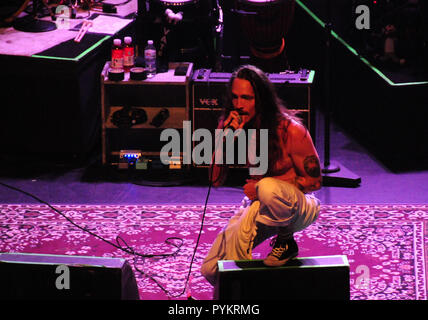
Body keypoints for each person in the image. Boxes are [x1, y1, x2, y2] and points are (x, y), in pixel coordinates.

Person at [200, 65, 322, 286]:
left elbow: (315, 182)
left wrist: (260, 187)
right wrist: (221, 140)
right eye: (235, 97)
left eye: (246, 98)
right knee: (212, 269)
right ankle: (243, 294)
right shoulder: (235, 126)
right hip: (261, 204)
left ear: (262, 99)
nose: (239, 105)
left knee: (266, 187)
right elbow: (215, 180)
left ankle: (286, 241)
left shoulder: (290, 130)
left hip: (300, 206)